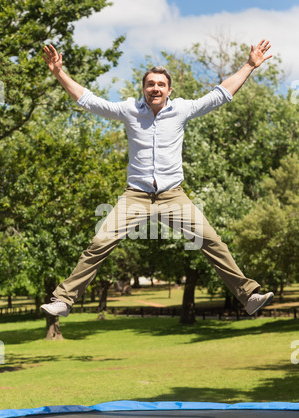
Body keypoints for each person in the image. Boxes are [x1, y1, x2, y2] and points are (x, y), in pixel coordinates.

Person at [41, 39, 274, 318]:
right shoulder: (129, 110)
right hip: (135, 196)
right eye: (150, 84)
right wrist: (58, 73)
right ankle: (64, 300)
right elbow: (89, 100)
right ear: (143, 88)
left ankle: (248, 296)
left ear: (169, 90)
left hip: (172, 195)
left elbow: (220, 95)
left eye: (161, 84)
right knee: (99, 244)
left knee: (211, 240)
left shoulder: (182, 110)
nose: (155, 88)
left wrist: (249, 65)